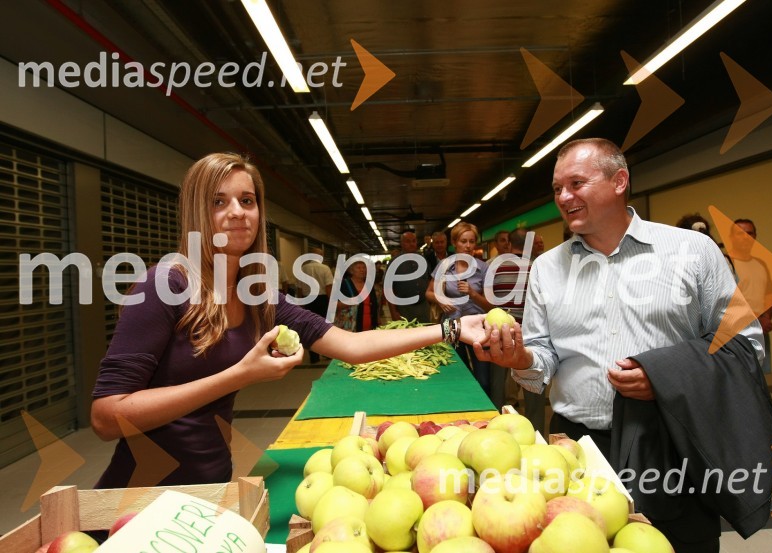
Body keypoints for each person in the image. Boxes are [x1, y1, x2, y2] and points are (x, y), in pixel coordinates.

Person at [90, 153, 486, 489]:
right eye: (218, 201)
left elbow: (351, 346)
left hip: (212, 487)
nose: (237, 213)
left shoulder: (257, 295)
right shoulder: (164, 284)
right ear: (196, 210)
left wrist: (452, 329)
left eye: (247, 200)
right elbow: (106, 417)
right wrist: (241, 375)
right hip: (140, 495)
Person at [475, 138, 767, 552]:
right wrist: (520, 358)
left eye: (576, 183)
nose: (563, 197)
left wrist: (668, 379)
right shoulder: (546, 269)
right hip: (577, 450)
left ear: (619, 182)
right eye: (557, 188)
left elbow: (745, 345)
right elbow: (542, 362)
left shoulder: (693, 252)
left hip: (670, 444)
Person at [426, 222, 495, 399]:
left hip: (478, 327)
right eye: (464, 241)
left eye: (472, 241)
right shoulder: (444, 265)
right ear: (455, 242)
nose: (468, 246)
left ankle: (484, 412)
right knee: (457, 374)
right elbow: (428, 293)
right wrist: (440, 299)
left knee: (483, 379)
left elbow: (491, 306)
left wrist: (472, 293)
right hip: (451, 324)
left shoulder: (484, 268)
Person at [491, 227, 547, 433]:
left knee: (498, 385)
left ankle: (496, 427)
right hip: (530, 334)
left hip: (500, 331)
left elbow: (489, 300)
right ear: (529, 245)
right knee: (533, 389)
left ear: (509, 243)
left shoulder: (495, 268)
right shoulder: (537, 268)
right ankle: (536, 432)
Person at [729, 218, 772, 374]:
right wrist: (756, 320)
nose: (745, 237)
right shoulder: (726, 263)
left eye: (749, 233)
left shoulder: (761, 264)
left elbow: (769, 293)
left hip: (761, 329)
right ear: (731, 237)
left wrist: (766, 318)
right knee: (739, 376)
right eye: (740, 233)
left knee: (762, 376)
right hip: (736, 333)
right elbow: (729, 300)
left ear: (755, 236)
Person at [295, 246, 333, 363]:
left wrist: (301, 303)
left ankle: (314, 357)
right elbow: (328, 287)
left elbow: (299, 288)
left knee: (311, 327)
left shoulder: (303, 269)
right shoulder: (325, 268)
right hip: (322, 300)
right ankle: (327, 352)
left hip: (308, 300)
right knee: (325, 327)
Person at [386, 230, 431, 323]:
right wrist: (393, 312)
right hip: (404, 308)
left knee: (425, 335)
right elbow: (388, 289)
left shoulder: (423, 260)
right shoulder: (394, 263)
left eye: (414, 241)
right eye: (408, 241)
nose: (411, 244)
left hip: (423, 307)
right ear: (402, 243)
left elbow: (429, 282)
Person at [337, 258, 379, 332]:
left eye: (364, 267)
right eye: (359, 268)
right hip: (352, 327)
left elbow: (374, 304)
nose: (362, 270)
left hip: (370, 327)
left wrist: (377, 320)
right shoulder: (343, 284)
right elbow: (334, 305)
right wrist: (349, 301)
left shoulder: (369, 284)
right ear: (351, 270)